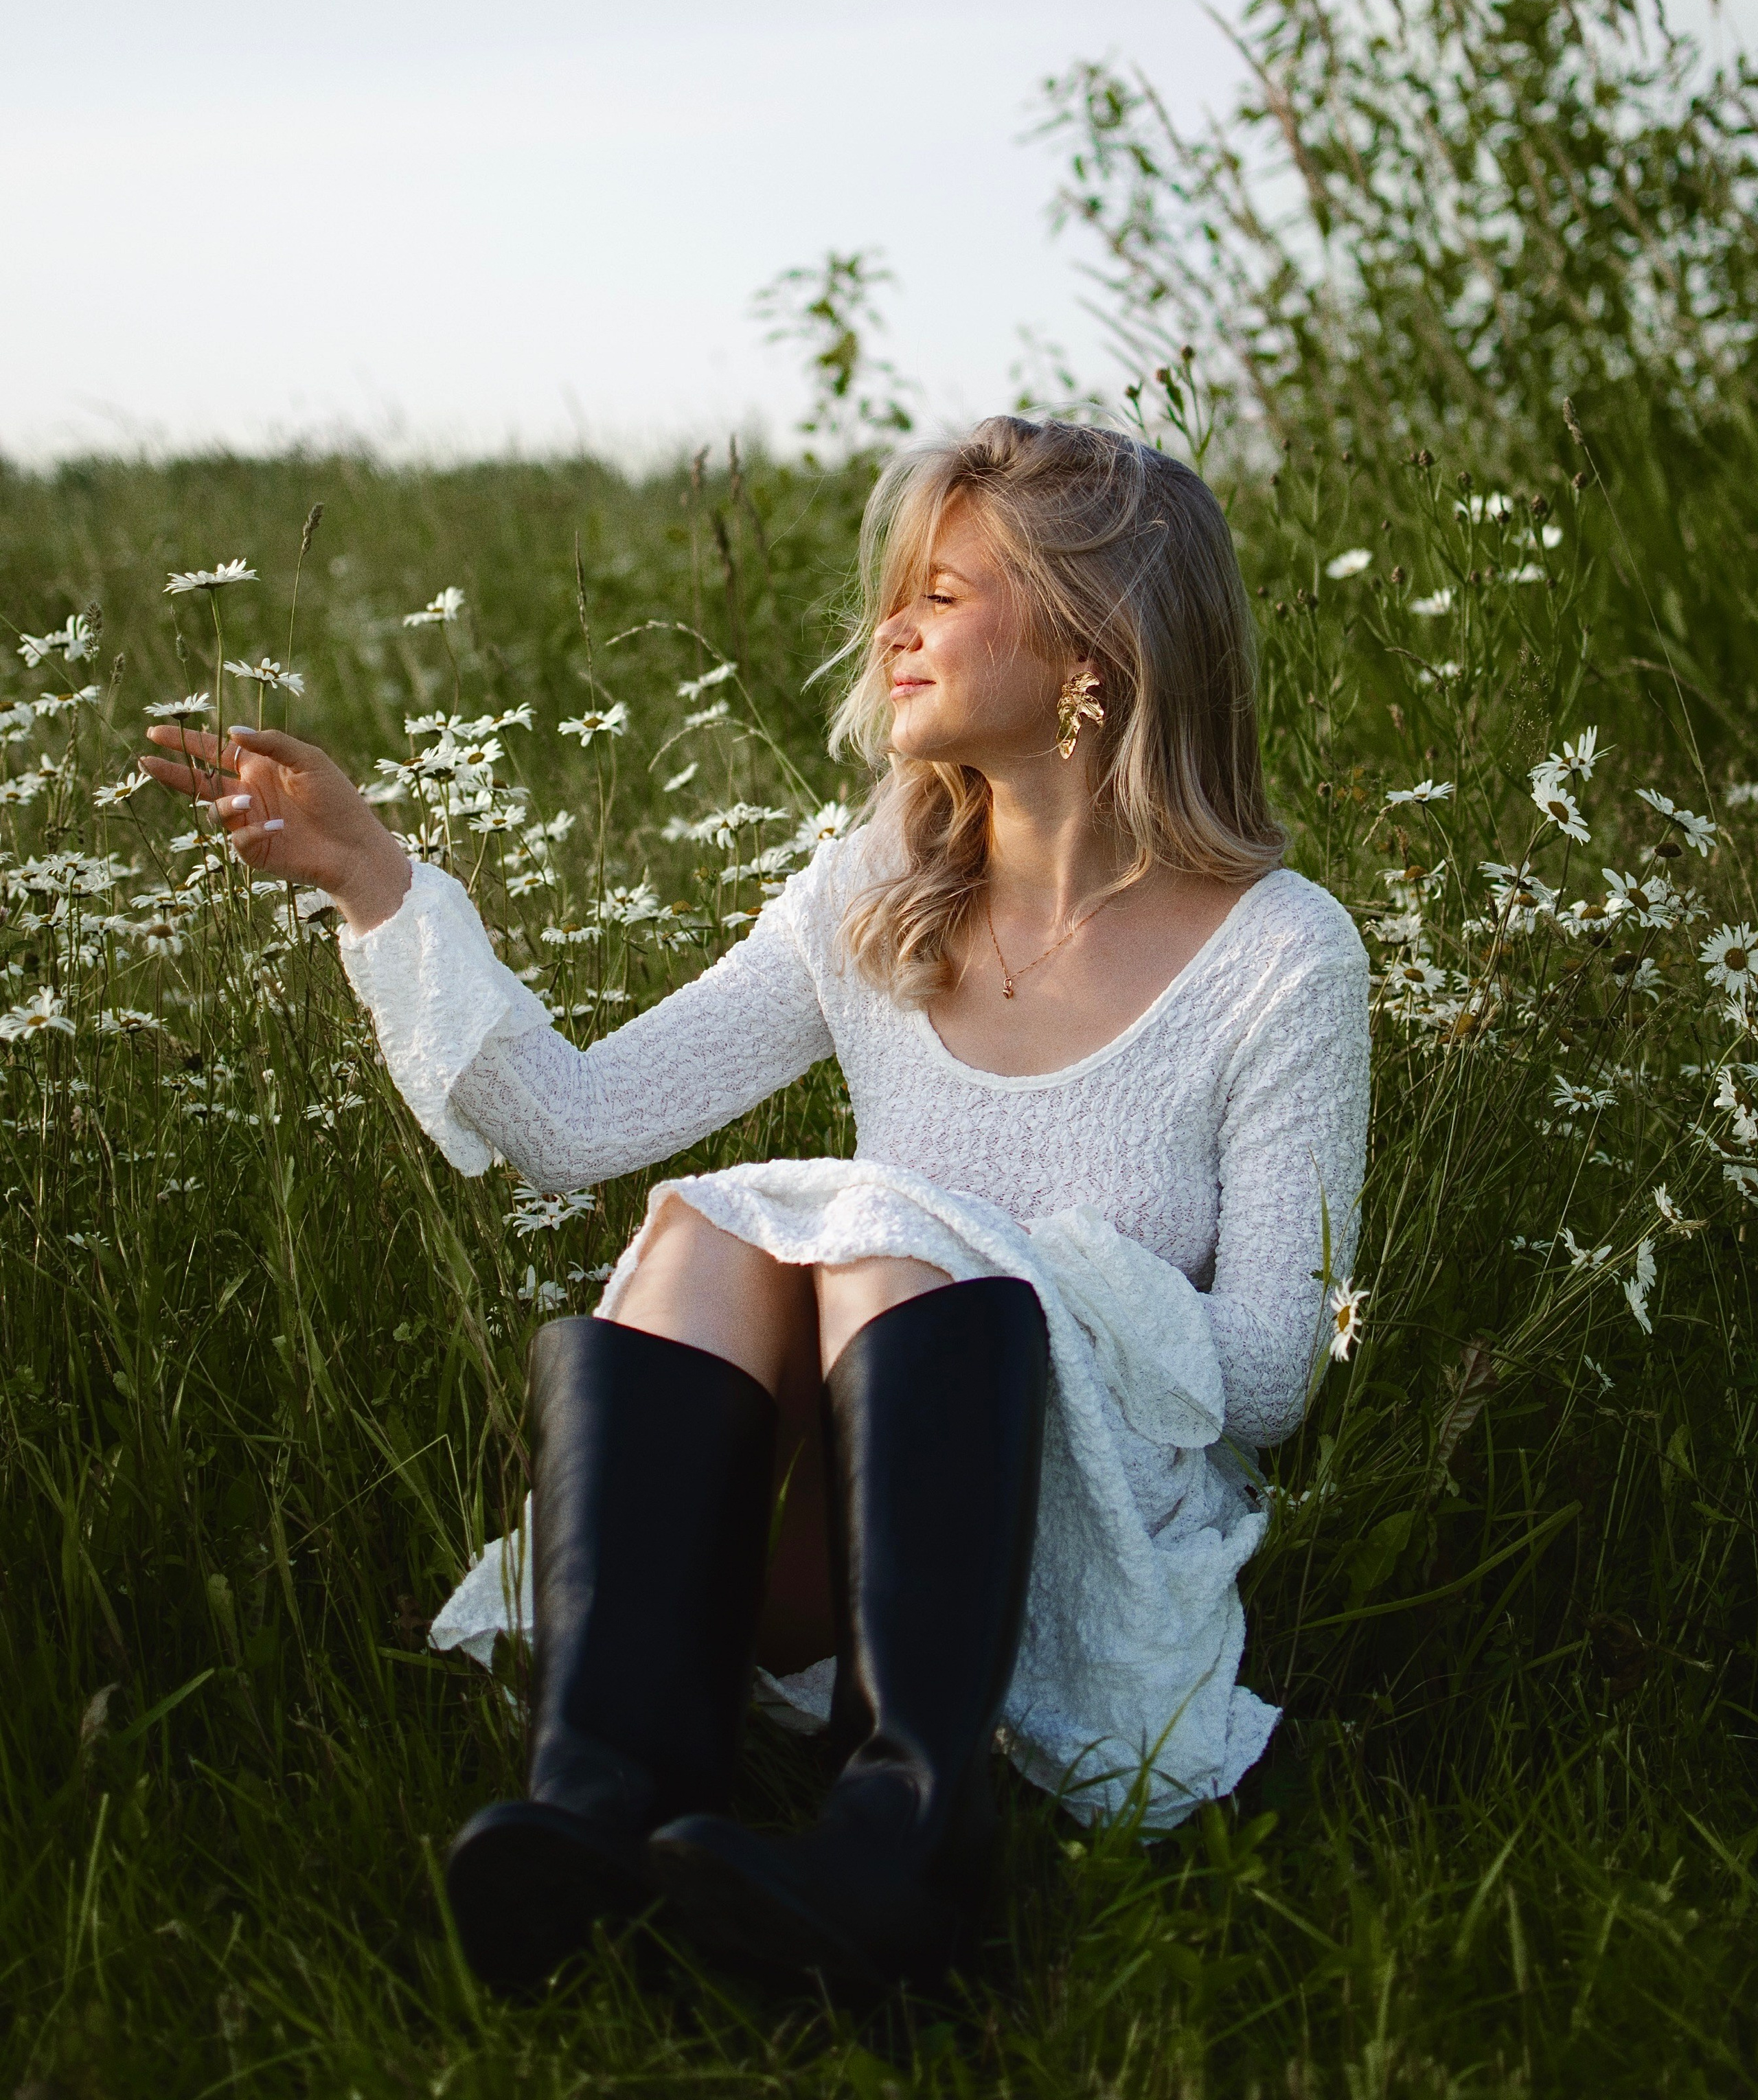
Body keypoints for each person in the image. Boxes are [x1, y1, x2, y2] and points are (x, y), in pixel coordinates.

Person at [141, 415, 1369, 1996]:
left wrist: (943, 1252)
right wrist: (378, 883)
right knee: (726, 1220)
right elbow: (578, 1125)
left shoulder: (1279, 954)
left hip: (1089, 1518)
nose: (891, 626)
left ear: (1094, 642)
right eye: (900, 590)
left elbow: (1268, 1374)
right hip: (851, 1510)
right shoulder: (872, 891)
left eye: (946, 590)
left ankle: (909, 1843)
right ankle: (601, 1797)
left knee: (865, 1233)